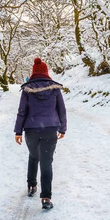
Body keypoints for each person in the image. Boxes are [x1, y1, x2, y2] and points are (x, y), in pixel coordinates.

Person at [14, 58, 67, 210]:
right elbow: (61, 110)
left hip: (31, 130)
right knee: (46, 162)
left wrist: (18, 132)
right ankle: (46, 198)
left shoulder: (27, 89)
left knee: (33, 156)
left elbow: (21, 112)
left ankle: (31, 186)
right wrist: (62, 128)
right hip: (50, 129)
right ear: (46, 72)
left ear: (33, 73)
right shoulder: (54, 88)